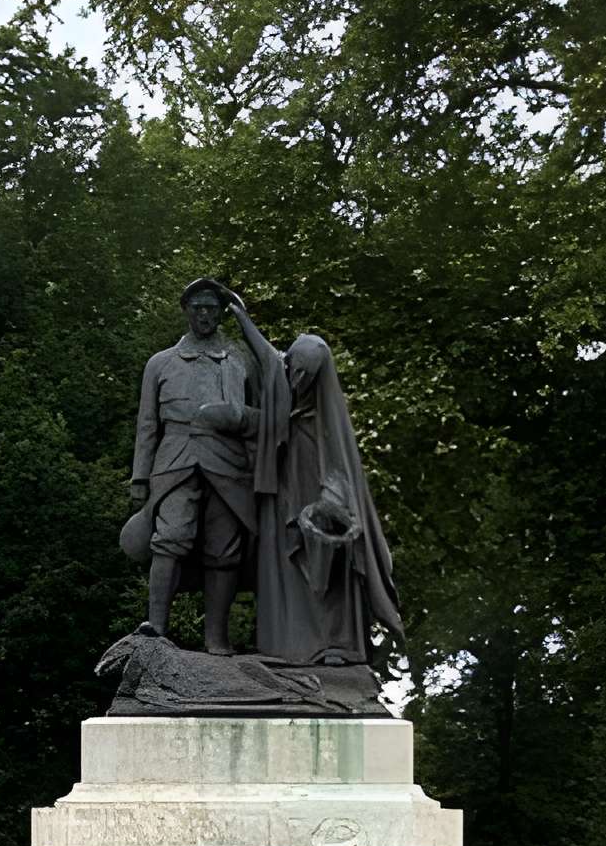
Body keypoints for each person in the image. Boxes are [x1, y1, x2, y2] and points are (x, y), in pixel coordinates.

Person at [129, 278, 281, 658]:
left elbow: (268, 415)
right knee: (169, 537)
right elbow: (147, 423)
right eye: (196, 307)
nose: (203, 315)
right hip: (174, 459)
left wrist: (235, 416)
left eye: (211, 308)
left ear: (221, 313)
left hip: (228, 462)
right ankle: (156, 629)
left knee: (224, 548)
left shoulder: (241, 360)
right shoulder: (160, 363)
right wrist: (140, 477)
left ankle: (216, 638)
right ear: (185, 310)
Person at [258, 332, 403, 666]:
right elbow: (267, 358)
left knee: (328, 580)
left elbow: (339, 469)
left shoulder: (327, 421)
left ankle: (335, 644)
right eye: (295, 373)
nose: (298, 382)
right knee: (291, 576)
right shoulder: (285, 405)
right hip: (287, 509)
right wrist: (241, 317)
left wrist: (329, 504)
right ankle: (292, 647)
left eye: (305, 376)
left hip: (320, 520)